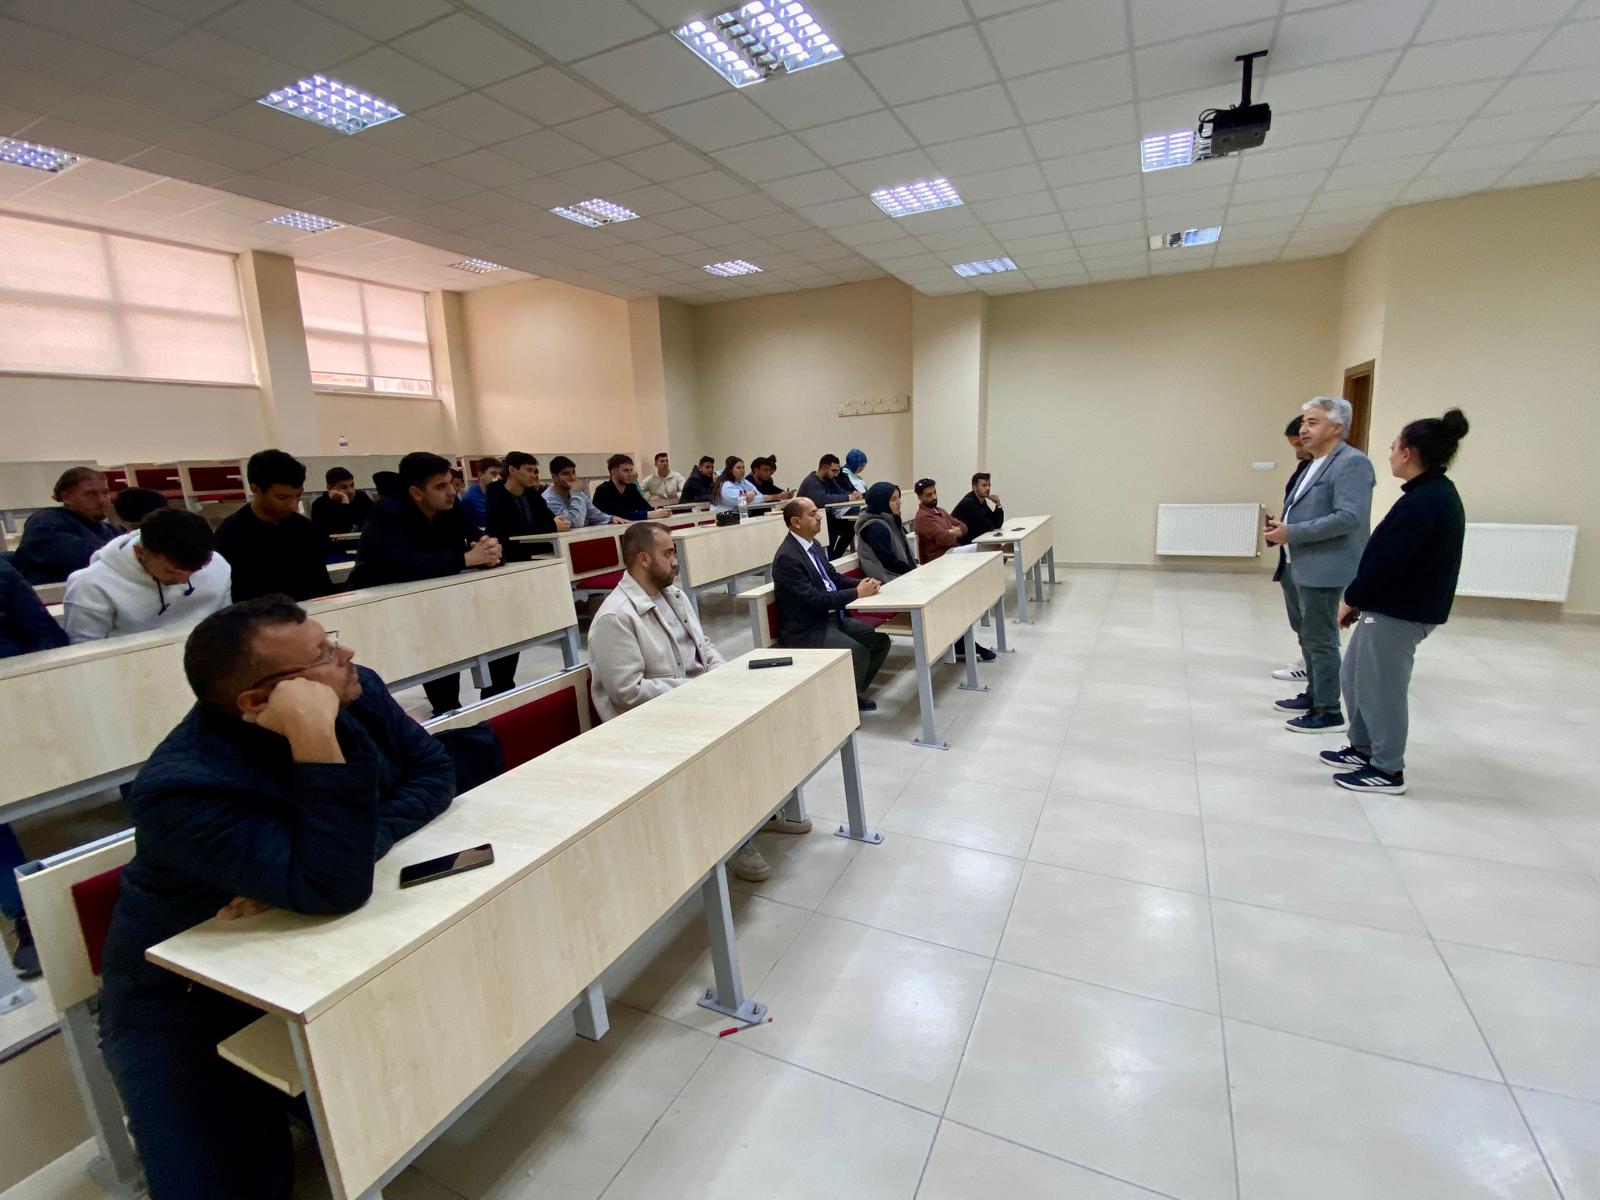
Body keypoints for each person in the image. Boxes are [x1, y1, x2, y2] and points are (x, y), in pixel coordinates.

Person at [97, 597, 454, 1200]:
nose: (347, 655)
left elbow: (434, 772)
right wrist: (314, 738)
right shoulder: (182, 788)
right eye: (322, 655)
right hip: (189, 1003)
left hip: (312, 956)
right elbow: (334, 888)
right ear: (259, 701)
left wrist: (339, 851)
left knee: (404, 1109)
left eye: (330, 640)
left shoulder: (355, 689)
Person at [589, 522, 803, 882]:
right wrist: (697, 690)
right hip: (648, 724)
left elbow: (704, 647)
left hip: (693, 700)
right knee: (723, 745)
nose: (676, 561)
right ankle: (731, 839)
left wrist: (723, 678)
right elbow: (627, 693)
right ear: (643, 559)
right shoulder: (616, 617)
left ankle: (756, 811)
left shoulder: (673, 595)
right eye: (668, 553)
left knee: (762, 714)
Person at [1324, 410, 1470, 794]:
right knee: (1355, 675)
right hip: (1385, 606)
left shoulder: (1429, 501)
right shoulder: (1424, 494)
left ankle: (1388, 768)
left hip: (1400, 611)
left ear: (1407, 453)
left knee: (1381, 688)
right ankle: (1363, 746)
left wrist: (1352, 599)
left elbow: (1390, 562)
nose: (1389, 454)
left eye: (1393, 448)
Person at [350, 451, 510, 715]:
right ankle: (446, 709)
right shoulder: (387, 513)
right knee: (433, 649)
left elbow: (477, 542)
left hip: (433, 597)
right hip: (379, 603)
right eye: (440, 486)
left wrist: (491, 552)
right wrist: (466, 558)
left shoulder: (451, 508)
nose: (451, 491)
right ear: (416, 493)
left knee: (495, 627)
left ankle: (492, 699)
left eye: (451, 483)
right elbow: (402, 565)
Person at [1263, 396, 1376, 734]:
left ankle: (1328, 710)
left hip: (1325, 566)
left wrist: (1292, 532)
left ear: (1337, 427)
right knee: (1306, 633)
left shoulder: (1352, 463)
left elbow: (1349, 517)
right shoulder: (1314, 462)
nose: (1303, 429)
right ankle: (1314, 693)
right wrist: (1282, 529)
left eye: (1313, 422)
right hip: (1297, 562)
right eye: (1304, 422)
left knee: (1321, 638)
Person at [0, 559, 71, 979]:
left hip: (17, 694)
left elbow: (47, 636)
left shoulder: (2, 576)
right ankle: (23, 912)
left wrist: (26, 687)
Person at [771, 498, 890, 711]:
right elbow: (815, 599)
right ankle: (843, 707)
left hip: (830, 618)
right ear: (796, 522)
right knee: (858, 653)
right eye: (812, 514)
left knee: (879, 641)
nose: (819, 517)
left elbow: (833, 578)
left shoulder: (814, 545)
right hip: (807, 628)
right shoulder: (787, 557)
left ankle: (850, 693)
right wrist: (857, 593)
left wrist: (863, 583)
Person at [63, 508, 232, 642]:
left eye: (195, 572)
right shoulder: (90, 585)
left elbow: (225, 628)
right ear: (140, 552)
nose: (183, 580)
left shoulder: (218, 565)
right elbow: (86, 652)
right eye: (170, 571)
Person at [214, 450, 333, 603]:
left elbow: (322, 586)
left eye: (298, 495)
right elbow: (235, 597)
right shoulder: (230, 534)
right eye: (282, 497)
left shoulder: (304, 528)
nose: (293, 505)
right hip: (259, 615)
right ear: (255, 489)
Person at [913, 478, 997, 661]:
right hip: (939, 564)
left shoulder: (940, 511)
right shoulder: (923, 518)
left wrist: (954, 531)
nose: (933, 497)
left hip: (952, 556)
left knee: (987, 551)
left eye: (934, 492)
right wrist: (953, 532)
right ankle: (962, 642)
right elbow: (945, 538)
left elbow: (964, 526)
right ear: (919, 497)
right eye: (928, 495)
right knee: (981, 553)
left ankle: (966, 635)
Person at [11, 466, 118, 584]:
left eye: (105, 493)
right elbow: (91, 558)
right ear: (66, 497)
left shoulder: (108, 529)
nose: (102, 500)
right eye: (90, 494)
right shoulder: (45, 524)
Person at [1272, 416, 1316, 684]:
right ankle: (1307, 662)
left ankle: (1315, 673)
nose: (1298, 452)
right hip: (1291, 554)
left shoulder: (1335, 470)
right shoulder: (1304, 469)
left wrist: (1293, 532)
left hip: (1311, 558)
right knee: (1298, 617)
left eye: (1300, 445)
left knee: (1313, 622)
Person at [485, 450, 569, 560]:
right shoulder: (496, 496)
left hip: (536, 551)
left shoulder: (533, 495)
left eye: (534, 471)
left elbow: (549, 518)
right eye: (529, 470)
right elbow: (512, 530)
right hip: (509, 556)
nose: (533, 475)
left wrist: (555, 524)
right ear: (512, 470)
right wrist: (551, 526)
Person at [797, 454, 861, 556]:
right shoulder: (811, 482)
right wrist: (848, 497)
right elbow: (822, 500)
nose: (836, 474)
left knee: (851, 526)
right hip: (809, 520)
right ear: (824, 468)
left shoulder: (829, 479)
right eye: (834, 470)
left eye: (837, 470)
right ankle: (830, 558)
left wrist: (853, 495)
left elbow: (840, 492)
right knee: (831, 527)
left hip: (825, 516)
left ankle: (836, 557)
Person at [853, 482, 916, 581]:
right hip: (889, 581)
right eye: (893, 499)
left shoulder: (891, 521)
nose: (899, 502)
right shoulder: (875, 528)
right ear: (881, 503)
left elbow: (905, 553)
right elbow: (889, 563)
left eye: (899, 498)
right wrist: (914, 572)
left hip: (902, 576)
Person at [544, 456, 628, 527]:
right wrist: (576, 493)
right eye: (566, 474)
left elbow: (593, 514)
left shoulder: (577, 493)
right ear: (554, 477)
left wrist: (611, 518)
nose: (572, 477)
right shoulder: (548, 499)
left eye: (573, 472)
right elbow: (575, 523)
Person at [592, 453, 668, 521]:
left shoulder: (631, 488)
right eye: (626, 470)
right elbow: (621, 514)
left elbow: (645, 507)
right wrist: (650, 514)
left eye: (631, 470)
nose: (630, 474)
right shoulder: (603, 490)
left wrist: (657, 511)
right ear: (614, 473)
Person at [310, 467, 376, 539]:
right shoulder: (320, 505)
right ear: (329, 488)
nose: (351, 491)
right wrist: (345, 501)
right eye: (344, 487)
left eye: (352, 485)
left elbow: (376, 520)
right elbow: (345, 529)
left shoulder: (361, 497)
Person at [952, 473, 1005, 545]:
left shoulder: (982, 501)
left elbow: (997, 524)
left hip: (972, 541)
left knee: (997, 545)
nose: (988, 488)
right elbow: (987, 527)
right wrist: (992, 524)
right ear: (974, 488)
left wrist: (998, 505)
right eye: (984, 485)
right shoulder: (969, 503)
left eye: (989, 485)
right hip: (959, 544)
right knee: (995, 545)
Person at [459, 457, 502, 525]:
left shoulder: (498, 492)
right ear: (480, 475)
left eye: (500, 474)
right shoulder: (470, 498)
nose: (499, 477)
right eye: (494, 474)